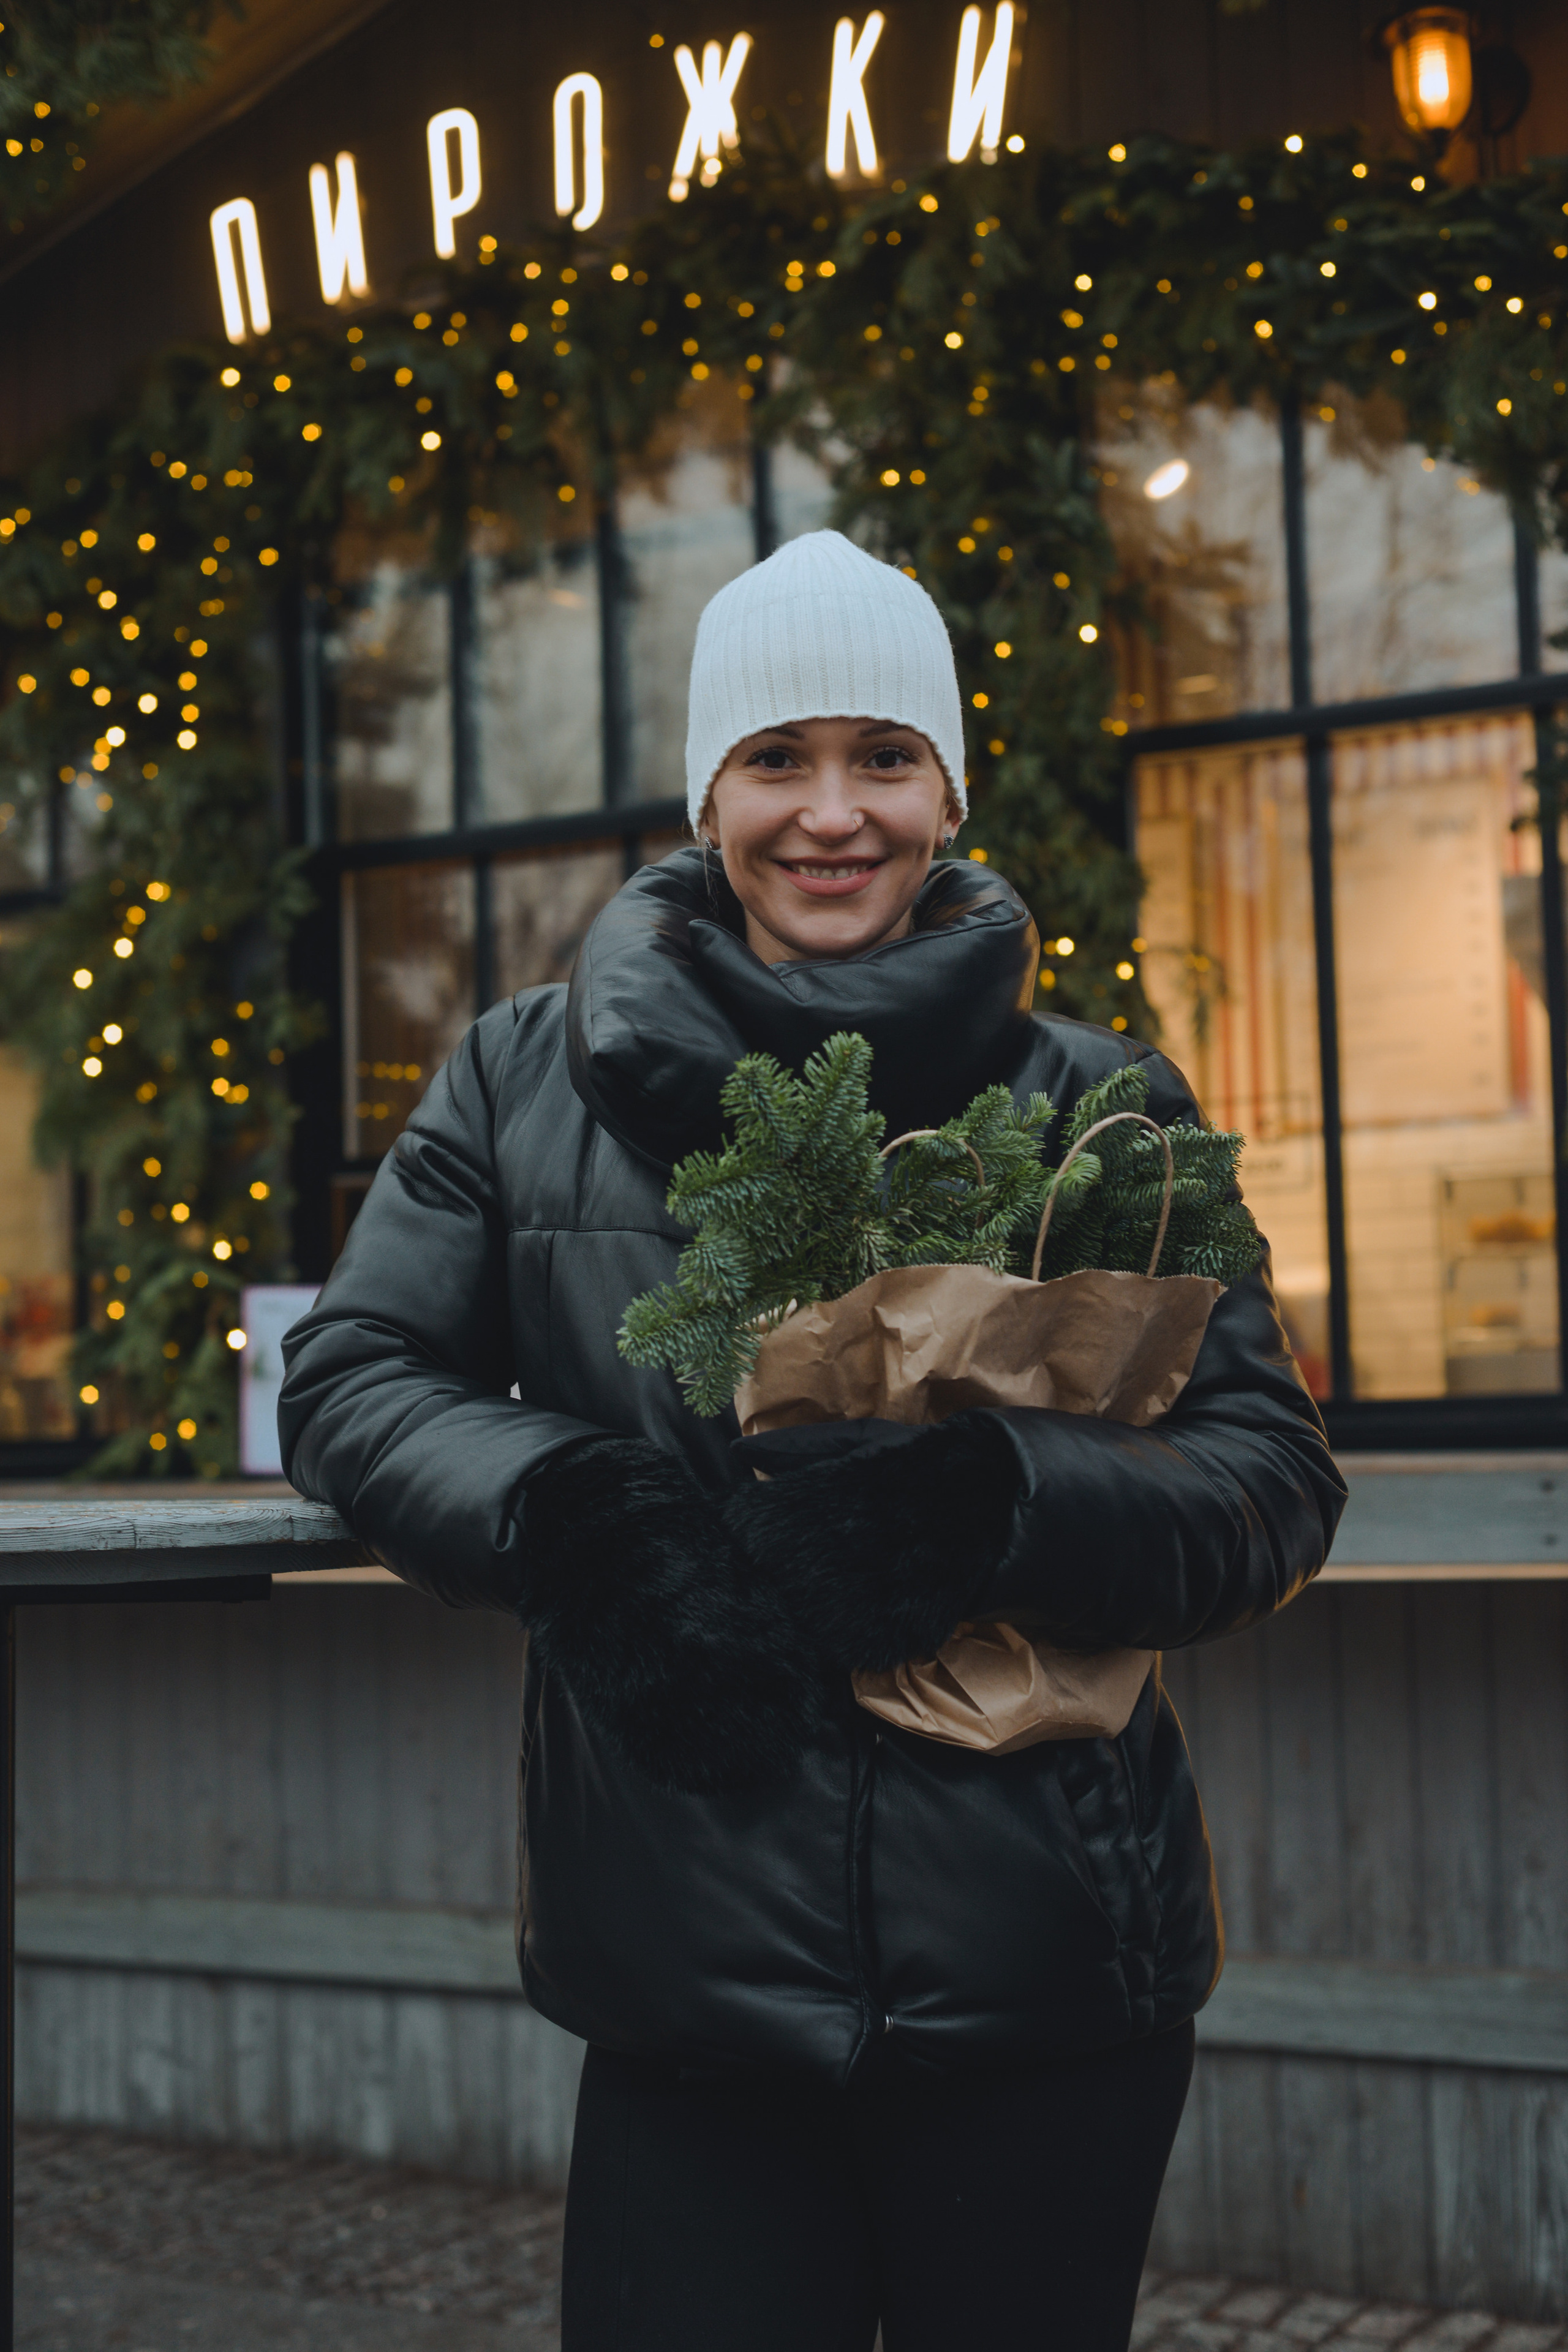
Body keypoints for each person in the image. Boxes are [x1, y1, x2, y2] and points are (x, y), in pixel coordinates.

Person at [279, 529, 1344, 2351]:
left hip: (1045, 1973)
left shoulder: (1097, 1102)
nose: (830, 813)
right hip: (687, 1973)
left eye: (883, 756)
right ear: (712, 795)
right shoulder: (517, 1085)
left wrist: (1003, 1503)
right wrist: (573, 1515)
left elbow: (1270, 1472)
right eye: (779, 759)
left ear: (946, 790)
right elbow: (354, 1374)